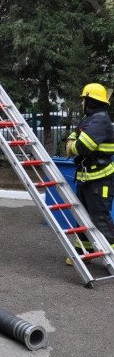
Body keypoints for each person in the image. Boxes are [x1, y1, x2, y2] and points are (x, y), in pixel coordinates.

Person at [65, 82, 114, 265]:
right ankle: (83, 253)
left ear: (90, 100)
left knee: (100, 218)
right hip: (87, 178)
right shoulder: (89, 119)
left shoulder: (99, 120)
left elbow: (82, 146)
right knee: (83, 218)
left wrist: (73, 145)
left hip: (100, 180)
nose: (82, 103)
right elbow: (71, 138)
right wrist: (72, 143)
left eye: (83, 99)